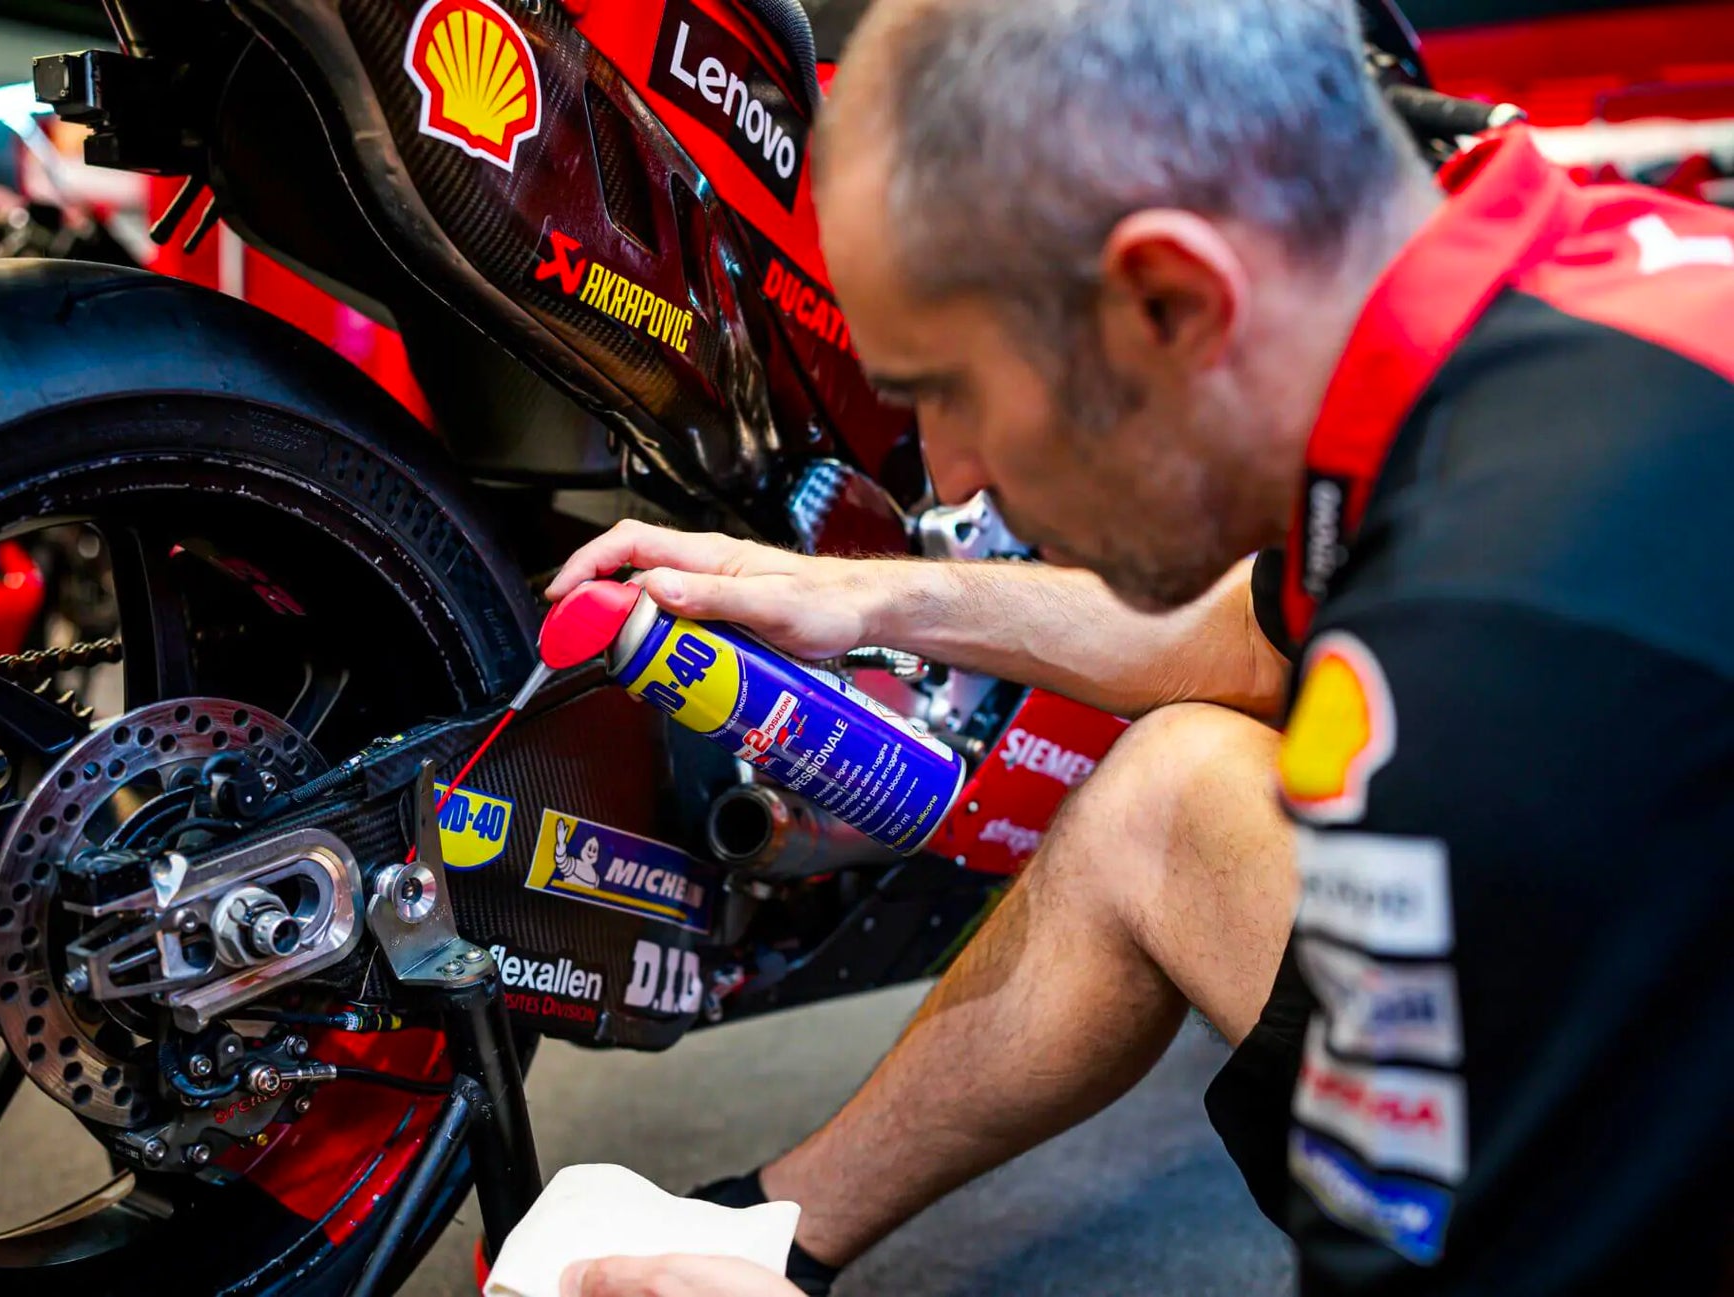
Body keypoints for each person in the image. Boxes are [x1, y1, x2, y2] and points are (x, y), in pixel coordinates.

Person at [552, 0, 1734, 1291]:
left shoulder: (1491, 646)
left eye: (951, 389)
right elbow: (1247, 635)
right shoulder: (1545, 312)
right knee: (1172, 791)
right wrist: (865, 601)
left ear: (1166, 299)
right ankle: (777, 1228)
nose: (958, 480)